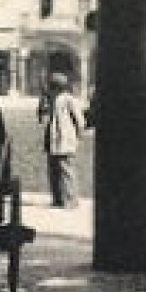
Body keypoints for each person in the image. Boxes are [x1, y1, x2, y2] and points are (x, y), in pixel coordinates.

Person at [41, 72, 85, 209]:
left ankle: (71, 200)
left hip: (65, 139)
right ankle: (58, 198)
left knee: (66, 170)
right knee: (53, 170)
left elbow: (80, 120)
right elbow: (42, 115)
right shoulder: (50, 99)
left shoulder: (69, 100)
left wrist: (77, 135)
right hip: (52, 139)